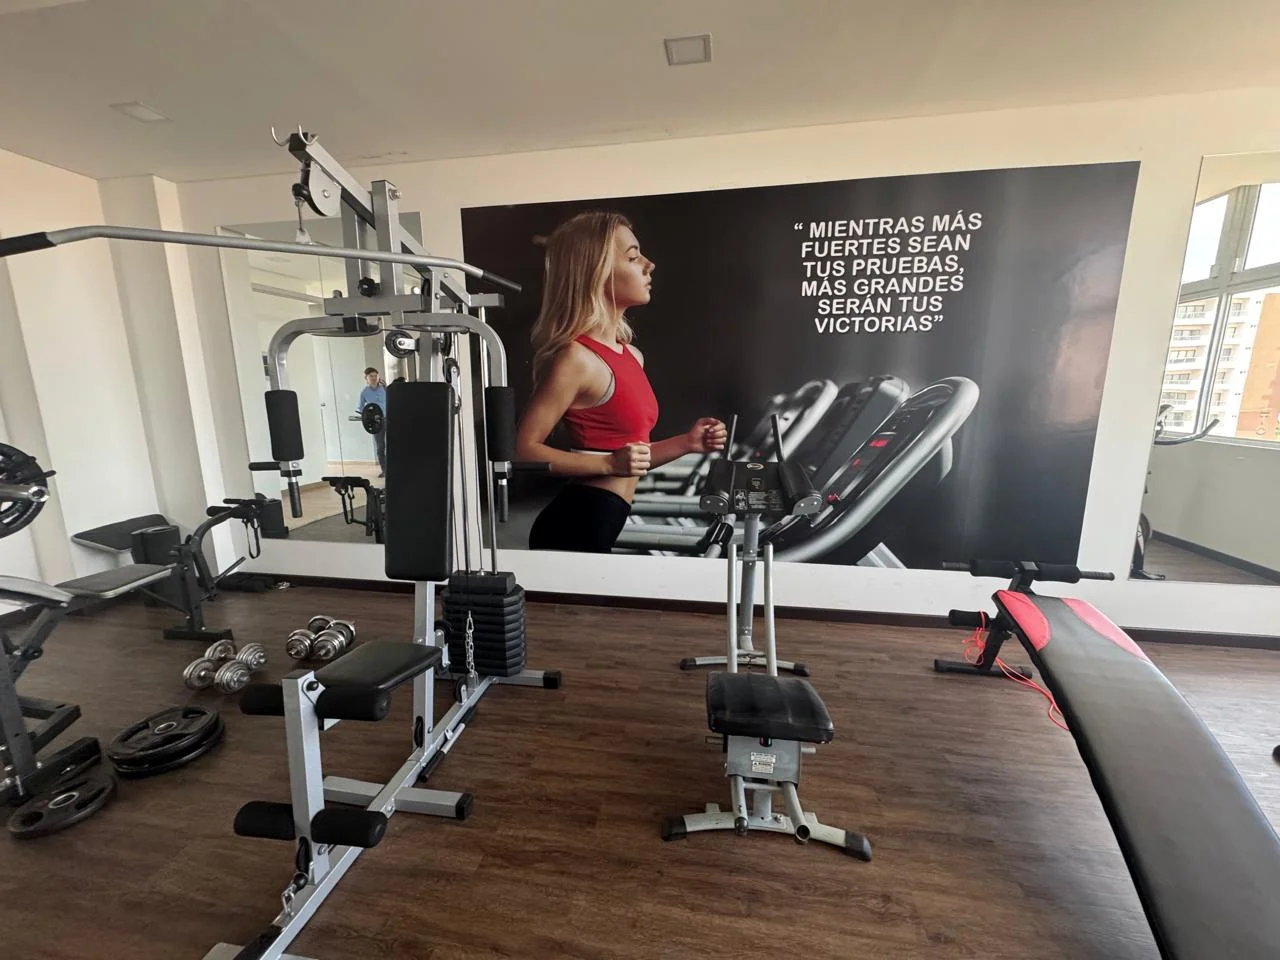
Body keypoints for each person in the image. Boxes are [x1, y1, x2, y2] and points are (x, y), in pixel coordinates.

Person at [516, 211, 727, 553]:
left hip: (608, 516)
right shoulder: (577, 358)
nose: (649, 265)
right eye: (632, 257)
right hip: (576, 523)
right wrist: (607, 464)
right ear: (596, 271)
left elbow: (632, 459)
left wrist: (688, 442)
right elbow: (525, 450)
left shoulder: (631, 355)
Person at [356, 367, 387, 477]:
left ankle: (394, 469)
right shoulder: (364, 392)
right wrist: (367, 417)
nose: (374, 378)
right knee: (380, 447)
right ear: (366, 378)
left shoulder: (385, 389)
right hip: (376, 423)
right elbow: (360, 408)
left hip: (388, 420)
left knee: (393, 445)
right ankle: (385, 470)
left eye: (375, 376)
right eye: (371, 376)